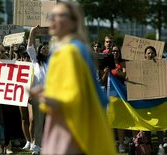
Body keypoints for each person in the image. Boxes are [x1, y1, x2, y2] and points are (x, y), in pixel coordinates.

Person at [30, 2, 116, 154]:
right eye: (52, 16)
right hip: (73, 125)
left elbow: (76, 97)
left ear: (73, 22)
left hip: (73, 128)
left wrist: (46, 98)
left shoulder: (70, 51)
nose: (54, 19)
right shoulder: (69, 49)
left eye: (61, 16)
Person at [26, 25, 49, 155]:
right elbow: (30, 47)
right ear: (39, 50)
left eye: (47, 48)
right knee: (38, 122)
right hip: (38, 96)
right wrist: (32, 32)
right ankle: (37, 146)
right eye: (43, 48)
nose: (46, 50)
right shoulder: (35, 61)